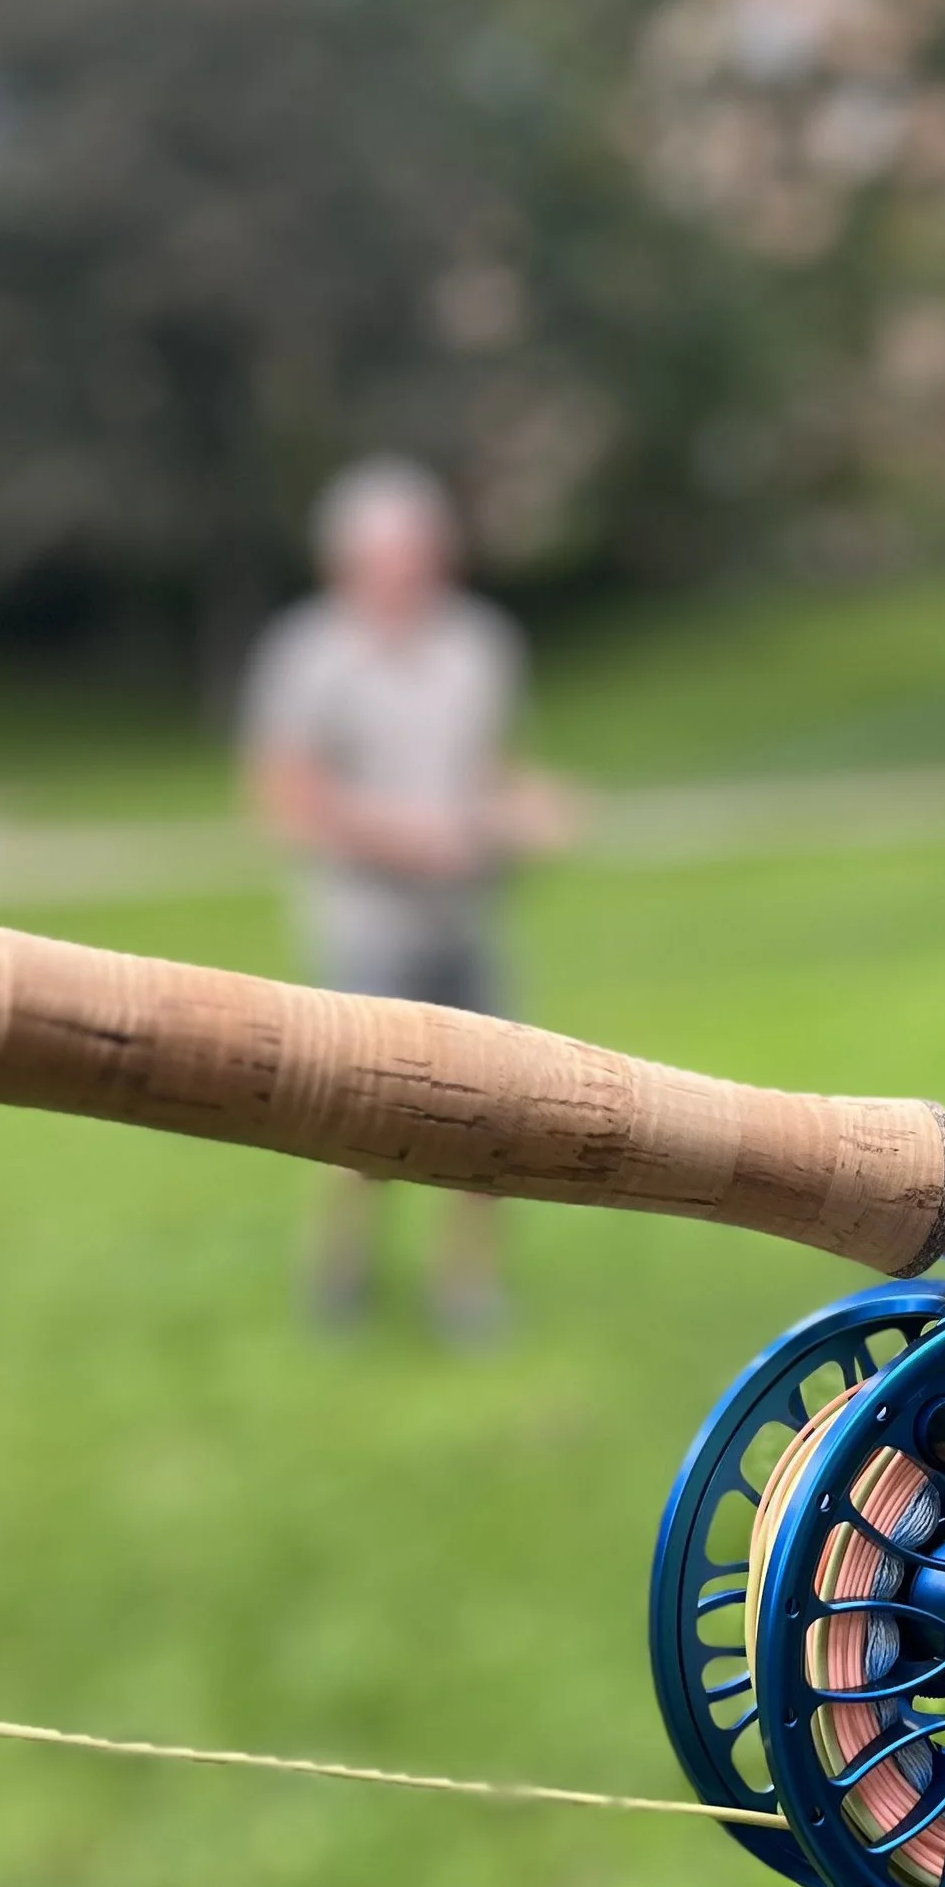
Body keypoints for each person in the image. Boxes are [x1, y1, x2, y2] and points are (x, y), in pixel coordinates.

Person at [242, 457, 576, 1338]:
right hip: (366, 924)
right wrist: (403, 836)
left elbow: (488, 768)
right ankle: (339, 1276)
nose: (414, 565)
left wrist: (525, 807)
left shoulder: (478, 644)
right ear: (349, 561)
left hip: (466, 914)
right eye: (394, 551)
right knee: (367, 1119)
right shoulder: (309, 655)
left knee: (495, 1111)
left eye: (425, 548)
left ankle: (466, 1288)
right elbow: (285, 798)